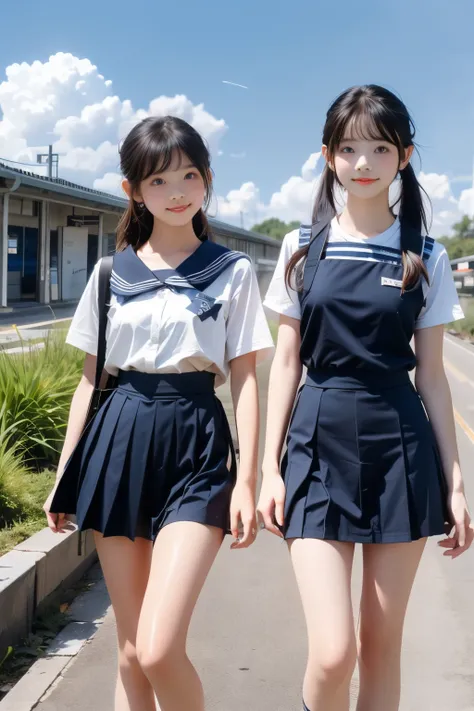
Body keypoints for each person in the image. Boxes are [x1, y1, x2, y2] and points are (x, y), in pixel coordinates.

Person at [43, 115, 274, 711]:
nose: (176, 192)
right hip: (119, 440)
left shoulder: (232, 270)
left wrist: (246, 477)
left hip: (197, 444)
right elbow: (90, 382)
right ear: (133, 191)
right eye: (158, 180)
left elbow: (246, 379)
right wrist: (65, 474)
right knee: (129, 649)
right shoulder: (108, 274)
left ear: (207, 181)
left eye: (189, 176)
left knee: (159, 647)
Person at [258, 84, 473, 711]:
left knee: (382, 642)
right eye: (348, 148)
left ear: (404, 156)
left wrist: (455, 484)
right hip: (316, 440)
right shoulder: (301, 247)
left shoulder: (425, 255)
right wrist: (267, 469)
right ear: (328, 156)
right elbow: (286, 363)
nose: (363, 163)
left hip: (399, 446)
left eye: (380, 148)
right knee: (333, 651)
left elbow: (431, 376)